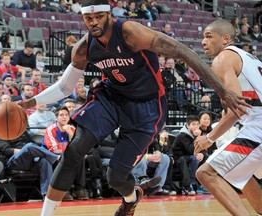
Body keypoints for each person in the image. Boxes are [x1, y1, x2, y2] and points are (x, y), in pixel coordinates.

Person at [19, 1, 249, 215]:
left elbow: (184, 51)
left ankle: (132, 197)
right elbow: (64, 86)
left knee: (116, 177)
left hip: (146, 106)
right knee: (74, 149)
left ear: (109, 14)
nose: (95, 23)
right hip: (111, 97)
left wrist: (221, 90)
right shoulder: (84, 47)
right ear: (83, 19)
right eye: (89, 19)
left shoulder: (131, 32)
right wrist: (30, 103)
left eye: (99, 17)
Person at [194, 19, 262, 216]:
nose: (203, 42)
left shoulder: (223, 58)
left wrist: (209, 138)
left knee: (205, 173)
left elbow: (236, 110)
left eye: (209, 36)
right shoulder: (250, 58)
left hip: (258, 127)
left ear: (225, 39)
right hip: (254, 124)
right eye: (202, 37)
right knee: (242, 172)